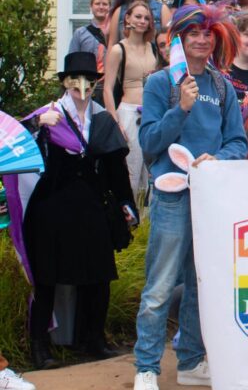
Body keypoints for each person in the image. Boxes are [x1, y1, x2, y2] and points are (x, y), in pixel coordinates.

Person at [134, 4, 247, 390]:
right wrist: (179, 109)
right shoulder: (160, 84)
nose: (201, 39)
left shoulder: (221, 86)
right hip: (170, 197)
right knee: (160, 286)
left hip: (209, 200)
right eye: (192, 33)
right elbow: (149, 142)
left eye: (207, 33)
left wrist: (219, 158)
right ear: (178, 38)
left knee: (201, 285)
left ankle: (191, 362)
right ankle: (146, 366)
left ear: (216, 39)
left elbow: (238, 141)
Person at [24, 52, 135, 369]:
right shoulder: (47, 116)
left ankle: (94, 340)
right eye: (75, 79)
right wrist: (38, 125)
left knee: (97, 277)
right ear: (65, 82)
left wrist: (126, 203)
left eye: (89, 78)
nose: (82, 85)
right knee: (47, 279)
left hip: (91, 209)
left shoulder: (102, 119)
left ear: (96, 82)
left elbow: (116, 168)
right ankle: (40, 347)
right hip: (51, 211)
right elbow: (15, 144)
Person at [103, 1, 159, 208]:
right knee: (131, 169)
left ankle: (147, 222)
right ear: (127, 18)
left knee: (151, 170)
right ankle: (129, 218)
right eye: (138, 16)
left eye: (146, 18)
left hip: (152, 113)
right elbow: (107, 88)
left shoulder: (152, 48)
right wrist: (114, 122)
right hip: (128, 112)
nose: (142, 21)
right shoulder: (119, 49)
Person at [69, 0, 111, 104]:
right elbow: (73, 63)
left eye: (105, 4)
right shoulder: (80, 33)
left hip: (110, 87)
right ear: (91, 6)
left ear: (109, 7)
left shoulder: (115, 33)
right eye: (97, 4)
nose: (101, 7)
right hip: (87, 87)